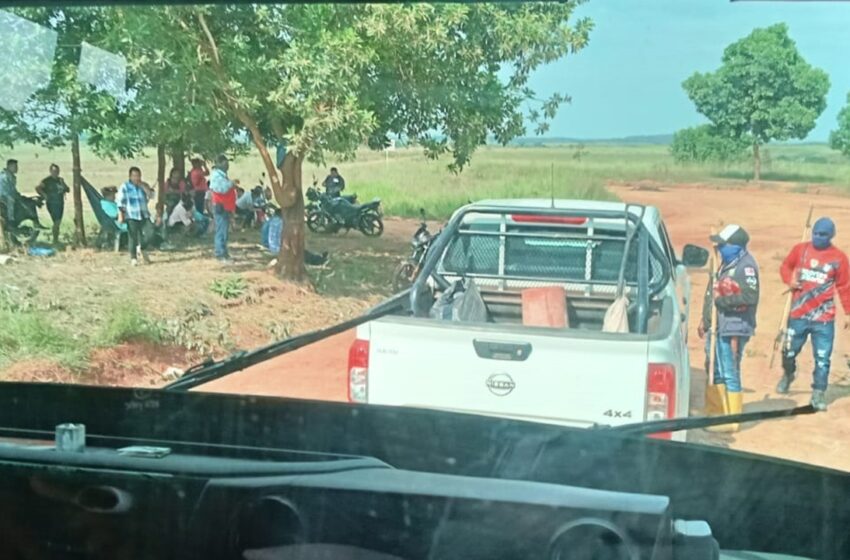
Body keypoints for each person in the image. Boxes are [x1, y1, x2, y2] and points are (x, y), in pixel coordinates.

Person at [776, 217, 850, 411]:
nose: (818, 237)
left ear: (831, 236)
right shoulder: (800, 250)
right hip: (798, 314)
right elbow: (785, 267)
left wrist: (848, 313)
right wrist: (789, 281)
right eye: (816, 233)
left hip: (823, 319)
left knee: (823, 358)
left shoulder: (839, 258)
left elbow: (844, 286)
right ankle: (788, 374)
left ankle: (818, 393)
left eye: (823, 235)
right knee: (788, 351)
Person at [698, 224, 759, 432]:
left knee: (729, 370)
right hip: (718, 325)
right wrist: (705, 321)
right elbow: (711, 294)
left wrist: (721, 302)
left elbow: (750, 297)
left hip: (734, 326)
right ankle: (715, 411)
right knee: (715, 367)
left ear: (736, 245)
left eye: (723, 244)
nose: (720, 247)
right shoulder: (723, 263)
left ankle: (731, 421)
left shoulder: (746, 266)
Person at [261, 208, 328, 266]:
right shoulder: (281, 223)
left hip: (268, 245)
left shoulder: (270, 221)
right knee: (301, 252)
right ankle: (319, 260)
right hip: (277, 248)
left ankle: (318, 258)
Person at [117, 166, 152, 266]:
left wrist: (145, 187)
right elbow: (120, 202)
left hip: (143, 214)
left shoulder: (143, 186)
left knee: (151, 232)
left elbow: (151, 196)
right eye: (134, 176)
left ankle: (142, 247)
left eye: (138, 176)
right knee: (133, 236)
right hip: (131, 214)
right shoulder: (125, 186)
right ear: (130, 176)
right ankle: (133, 258)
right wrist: (121, 215)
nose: (136, 178)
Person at [210, 154, 237, 264]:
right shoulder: (216, 176)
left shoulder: (222, 175)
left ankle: (224, 252)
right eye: (225, 163)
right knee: (221, 231)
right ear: (219, 163)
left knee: (224, 230)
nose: (227, 165)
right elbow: (221, 189)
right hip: (220, 206)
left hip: (225, 206)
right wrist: (231, 183)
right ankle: (220, 254)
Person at [35, 164, 70, 244]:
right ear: (50, 171)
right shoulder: (46, 181)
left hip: (60, 203)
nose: (56, 172)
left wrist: (63, 184)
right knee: (56, 222)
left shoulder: (60, 180)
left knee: (58, 222)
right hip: (52, 203)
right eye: (54, 171)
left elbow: (67, 189)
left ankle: (55, 238)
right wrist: (44, 195)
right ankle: (55, 239)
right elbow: (38, 188)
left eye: (57, 171)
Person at [0, 159, 20, 228]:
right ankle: (10, 220)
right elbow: (5, 189)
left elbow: (12, 188)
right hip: (2, 196)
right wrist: (13, 195)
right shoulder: (4, 176)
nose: (17, 168)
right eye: (15, 166)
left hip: (7, 195)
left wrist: (17, 194)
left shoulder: (12, 177)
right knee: (10, 200)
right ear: (9, 166)